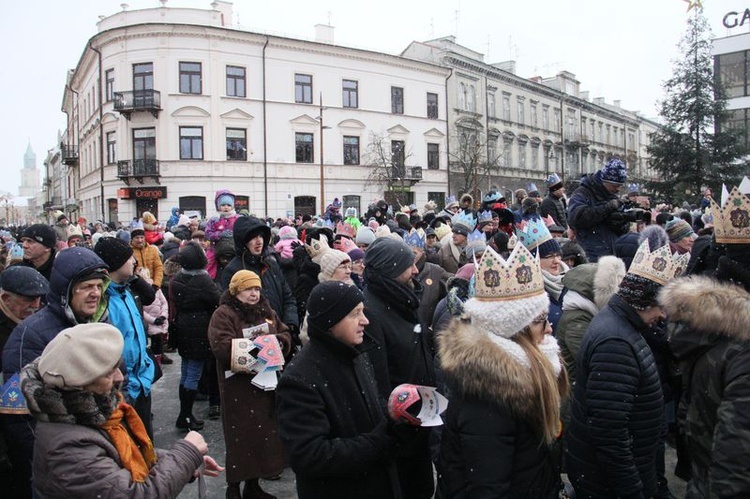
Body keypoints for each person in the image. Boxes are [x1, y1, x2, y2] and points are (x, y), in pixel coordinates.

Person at [20, 322, 223, 497]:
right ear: (79, 384)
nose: (119, 377)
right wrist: (185, 455)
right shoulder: (69, 447)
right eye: (108, 373)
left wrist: (182, 464)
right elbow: (136, 494)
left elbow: (124, 455)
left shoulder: (88, 412)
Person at [438, 243, 570, 498]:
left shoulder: (525, 372)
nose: (550, 329)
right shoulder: (489, 395)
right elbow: (488, 488)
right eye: (541, 321)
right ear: (515, 328)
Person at [566, 239, 689, 499]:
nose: (664, 316)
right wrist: (631, 490)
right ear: (643, 301)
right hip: (610, 482)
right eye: (661, 307)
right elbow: (609, 434)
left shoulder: (621, 326)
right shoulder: (615, 343)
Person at [2, 247, 109, 499]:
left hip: (99, 453)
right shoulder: (32, 334)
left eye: (98, 286)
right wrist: (50, 462)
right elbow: (18, 415)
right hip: (62, 465)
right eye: (86, 286)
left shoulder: (99, 324)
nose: (95, 293)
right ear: (67, 289)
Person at [276, 281, 401, 498]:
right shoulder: (299, 378)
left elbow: (372, 408)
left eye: (363, 311)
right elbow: (309, 455)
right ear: (330, 321)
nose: (365, 321)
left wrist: (398, 417)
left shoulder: (356, 354)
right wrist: (378, 442)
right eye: (355, 314)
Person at [208, 270, 292, 499]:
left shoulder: (267, 311)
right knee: (240, 439)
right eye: (248, 289)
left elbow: (284, 334)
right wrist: (265, 351)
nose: (254, 294)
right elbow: (222, 347)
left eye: (257, 288)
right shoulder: (223, 314)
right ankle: (233, 488)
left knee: (262, 438)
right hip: (238, 389)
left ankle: (253, 486)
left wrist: (278, 345)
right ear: (236, 291)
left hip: (265, 387)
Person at [363, 236, 435, 499]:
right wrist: (396, 424)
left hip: (421, 413)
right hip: (401, 427)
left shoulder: (404, 299)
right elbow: (377, 378)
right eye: (409, 266)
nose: (416, 271)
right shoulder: (371, 312)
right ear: (391, 269)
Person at [94, 236, 158, 438]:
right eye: (129, 258)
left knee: (147, 445)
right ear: (116, 263)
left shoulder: (127, 291)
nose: (134, 262)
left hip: (141, 383)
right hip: (124, 387)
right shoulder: (103, 300)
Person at [169, 241, 221, 430]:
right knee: (194, 372)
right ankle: (185, 415)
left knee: (186, 371)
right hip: (199, 329)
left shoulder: (178, 278)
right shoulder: (203, 280)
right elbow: (217, 300)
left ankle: (185, 413)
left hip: (183, 326)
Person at [220, 216, 299, 339]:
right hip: (253, 342)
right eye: (253, 237)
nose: (259, 241)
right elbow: (230, 310)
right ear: (243, 241)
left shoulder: (271, 264)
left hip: (281, 336)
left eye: (261, 236)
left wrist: (289, 325)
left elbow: (288, 298)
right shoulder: (232, 270)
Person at [567, 158, 630, 262]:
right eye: (615, 185)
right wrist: (607, 208)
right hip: (590, 254)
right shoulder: (583, 193)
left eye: (620, 185)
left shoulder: (612, 196)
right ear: (605, 181)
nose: (618, 189)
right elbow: (576, 219)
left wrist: (620, 224)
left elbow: (624, 228)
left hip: (612, 254)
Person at [0, 267, 49, 373]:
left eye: (38, 298)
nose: (36, 305)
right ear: (6, 298)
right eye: (28, 300)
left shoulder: (44, 317)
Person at [205, 189, 241, 280]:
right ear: (218, 206)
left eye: (229, 205)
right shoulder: (214, 220)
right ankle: (209, 280)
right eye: (223, 205)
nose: (226, 207)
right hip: (216, 248)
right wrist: (220, 235)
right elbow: (208, 234)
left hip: (235, 249)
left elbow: (244, 232)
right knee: (209, 261)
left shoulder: (238, 219)